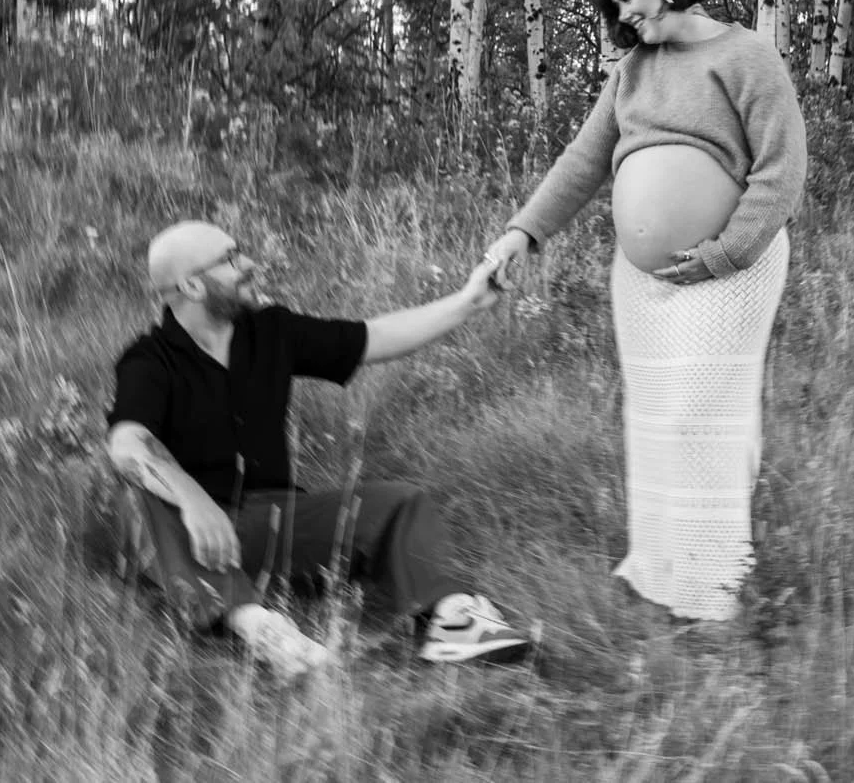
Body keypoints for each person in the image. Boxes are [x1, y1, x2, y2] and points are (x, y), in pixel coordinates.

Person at [477, 0, 807, 622]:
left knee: (698, 419)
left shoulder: (745, 56)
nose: (624, 15)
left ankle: (713, 591)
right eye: (615, 7)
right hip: (642, 283)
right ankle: (663, 572)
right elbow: (582, 163)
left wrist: (724, 253)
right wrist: (522, 232)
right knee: (655, 423)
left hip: (731, 270)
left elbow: (782, 172)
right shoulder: (632, 72)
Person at [104, 218, 536, 680]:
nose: (249, 263)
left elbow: (375, 337)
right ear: (192, 285)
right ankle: (261, 630)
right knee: (138, 495)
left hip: (277, 524)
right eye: (230, 259)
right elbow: (127, 445)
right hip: (193, 541)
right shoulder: (149, 360)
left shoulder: (270, 330)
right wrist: (193, 500)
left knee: (399, 503)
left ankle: (454, 620)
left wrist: (469, 301)